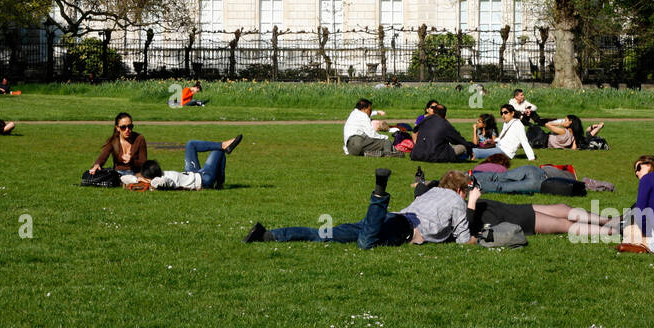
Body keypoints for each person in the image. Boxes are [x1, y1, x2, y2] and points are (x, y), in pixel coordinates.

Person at [244, 168, 474, 247]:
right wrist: (472, 208)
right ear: (460, 190)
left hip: (391, 218)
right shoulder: (457, 201)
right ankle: (378, 194)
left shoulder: (431, 191)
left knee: (324, 235)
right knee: (366, 243)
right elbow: (463, 239)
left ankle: (268, 235)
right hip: (401, 229)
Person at [439, 171, 615, 239]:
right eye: (464, 189)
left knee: (563, 208)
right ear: (457, 191)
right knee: (565, 224)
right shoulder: (458, 208)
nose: (467, 191)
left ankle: (609, 221)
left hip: (516, 209)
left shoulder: (453, 201)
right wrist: (471, 202)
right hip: (515, 219)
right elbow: (464, 228)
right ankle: (611, 231)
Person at [141, 135, 242, 190]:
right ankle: (219, 183)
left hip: (191, 173)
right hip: (203, 179)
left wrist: (140, 179)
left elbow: (125, 178)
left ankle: (223, 145)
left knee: (190, 144)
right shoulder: (164, 180)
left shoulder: (163, 175)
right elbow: (162, 182)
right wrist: (151, 181)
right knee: (219, 152)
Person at [409, 103, 475, 163]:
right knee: (462, 147)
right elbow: (457, 139)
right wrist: (469, 148)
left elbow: (414, 131)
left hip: (417, 154)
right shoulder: (445, 124)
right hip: (435, 156)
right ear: (445, 114)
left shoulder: (424, 120)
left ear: (434, 111)